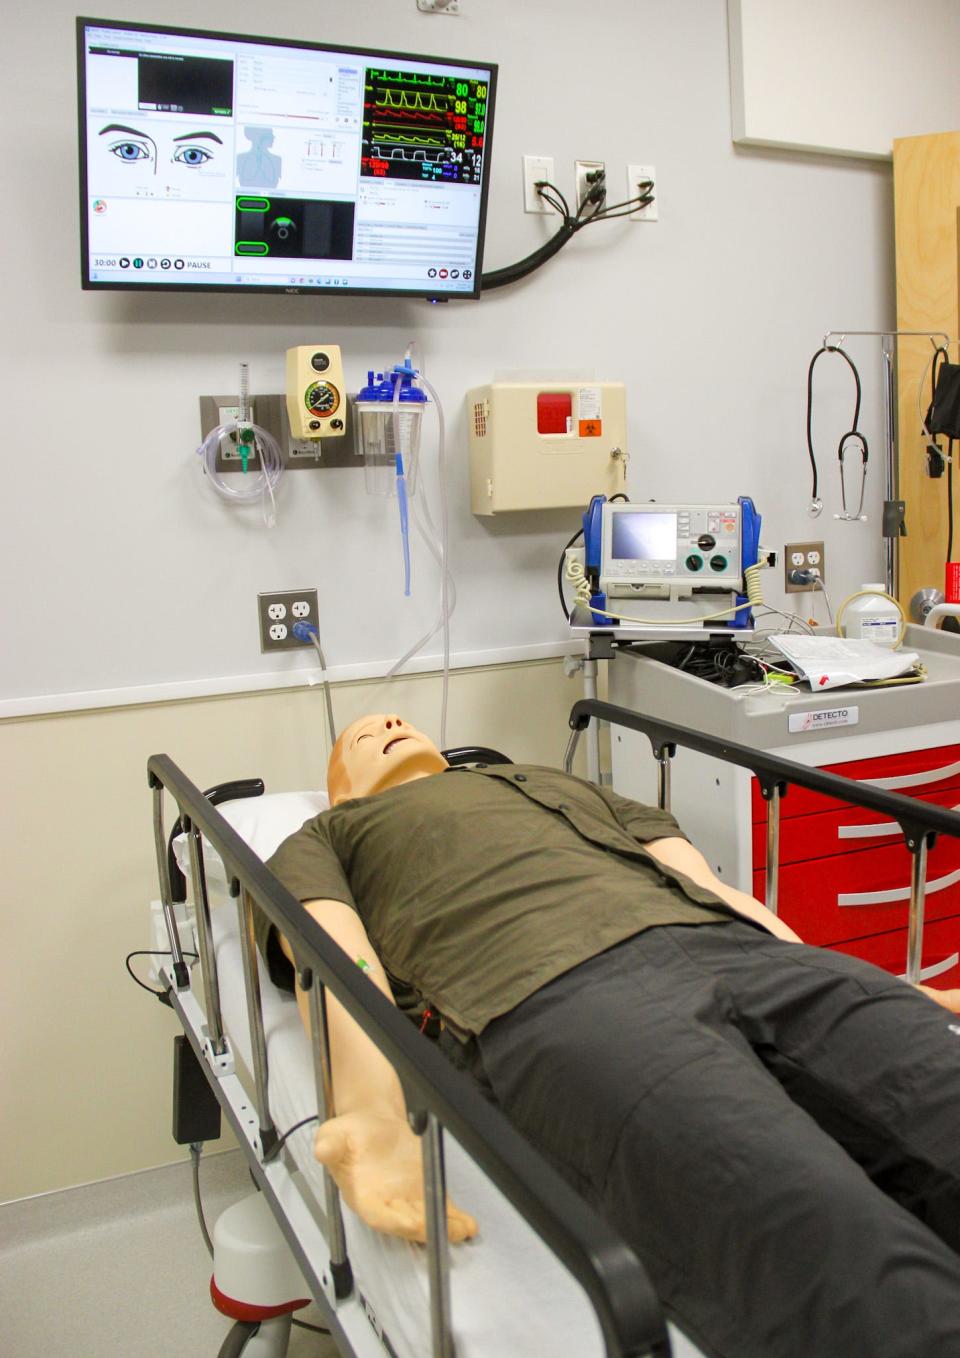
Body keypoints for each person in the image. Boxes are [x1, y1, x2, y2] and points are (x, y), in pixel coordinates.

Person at [261, 712, 960, 1358]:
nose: (387, 722)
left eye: (399, 719)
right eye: (359, 734)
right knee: (817, 1227)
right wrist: (374, 1110)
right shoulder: (326, 836)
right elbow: (330, 953)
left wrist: (864, 981)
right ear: (337, 792)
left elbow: (707, 885)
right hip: (552, 994)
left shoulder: (543, 780)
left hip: (737, 951)